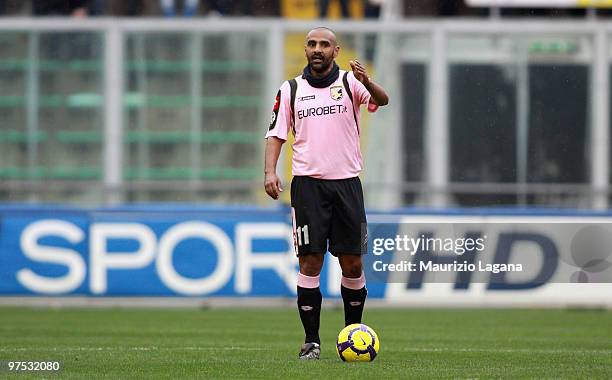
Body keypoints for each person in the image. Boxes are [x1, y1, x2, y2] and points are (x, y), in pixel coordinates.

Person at [263, 27, 388, 360]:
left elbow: (381, 100)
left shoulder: (350, 82)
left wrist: (368, 80)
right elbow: (275, 135)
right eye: (312, 44)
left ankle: (353, 332)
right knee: (310, 261)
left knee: (352, 262)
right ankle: (311, 341)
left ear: (336, 50)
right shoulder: (290, 89)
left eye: (324, 45)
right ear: (305, 49)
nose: (317, 49)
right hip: (307, 186)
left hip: (347, 183)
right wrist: (269, 172)